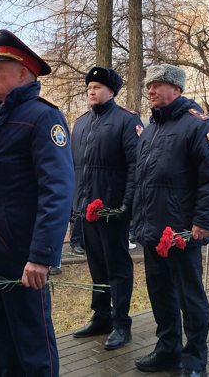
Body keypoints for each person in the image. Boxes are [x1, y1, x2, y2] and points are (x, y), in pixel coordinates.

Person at [0, 30, 75, 376]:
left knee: (32, 348)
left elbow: (58, 190)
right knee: (1, 347)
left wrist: (41, 255)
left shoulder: (42, 117)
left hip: (22, 255)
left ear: (22, 73)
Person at [132, 64, 209, 377]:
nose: (151, 91)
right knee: (160, 295)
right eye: (149, 86)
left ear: (176, 89)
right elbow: (142, 180)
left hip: (182, 231)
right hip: (153, 230)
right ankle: (168, 351)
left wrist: (203, 222)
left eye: (158, 85)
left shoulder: (198, 126)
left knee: (190, 298)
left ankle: (195, 360)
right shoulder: (150, 129)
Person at [70, 66, 142, 350]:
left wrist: (127, 204)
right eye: (89, 86)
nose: (91, 90)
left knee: (118, 267)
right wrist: (75, 207)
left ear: (111, 91)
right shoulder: (81, 123)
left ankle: (122, 323)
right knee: (96, 266)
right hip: (86, 210)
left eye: (97, 86)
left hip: (113, 209)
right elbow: (74, 169)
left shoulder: (126, 120)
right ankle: (101, 316)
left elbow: (137, 166)